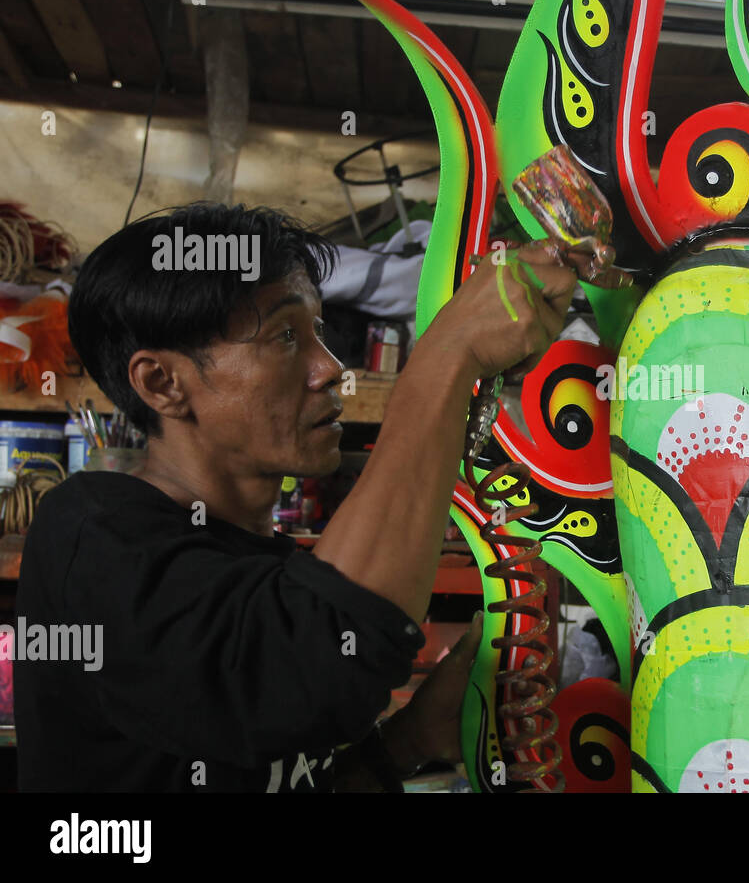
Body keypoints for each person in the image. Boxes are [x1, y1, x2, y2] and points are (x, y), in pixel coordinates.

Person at [14, 202, 579, 792]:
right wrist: (444, 357)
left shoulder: (272, 569)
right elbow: (304, 665)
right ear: (163, 383)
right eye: (286, 335)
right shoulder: (89, 532)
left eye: (320, 332)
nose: (332, 368)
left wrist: (407, 742)